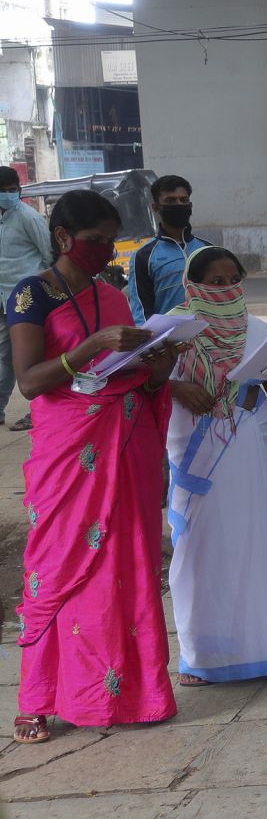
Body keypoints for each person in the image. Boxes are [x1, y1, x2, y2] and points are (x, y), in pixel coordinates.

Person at [9, 190, 183, 743]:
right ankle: (36, 700)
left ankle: (134, 692)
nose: (106, 250)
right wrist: (89, 350)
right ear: (62, 238)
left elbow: (125, 371)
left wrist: (157, 370)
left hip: (122, 438)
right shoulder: (29, 295)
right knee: (56, 564)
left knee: (125, 564)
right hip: (67, 449)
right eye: (96, 241)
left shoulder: (112, 294)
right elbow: (30, 380)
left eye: (111, 240)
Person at [165, 246, 267, 686]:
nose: (226, 289)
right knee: (201, 548)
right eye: (216, 282)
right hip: (199, 447)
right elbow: (142, 379)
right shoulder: (175, 328)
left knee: (259, 536)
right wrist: (177, 389)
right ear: (195, 284)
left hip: (248, 440)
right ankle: (203, 655)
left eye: (233, 281)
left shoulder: (257, 328)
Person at [0, 167, 53, 431]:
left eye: (13, 190)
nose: (9, 195)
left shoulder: (29, 218)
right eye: (3, 191)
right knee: (4, 356)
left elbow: (49, 254)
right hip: (2, 298)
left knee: (33, 357)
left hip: (27, 299)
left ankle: (37, 413)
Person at [127, 174, 210, 325]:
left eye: (183, 200)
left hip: (208, 341)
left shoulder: (208, 250)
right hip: (170, 344)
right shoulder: (143, 256)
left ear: (190, 206)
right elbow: (141, 312)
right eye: (170, 200)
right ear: (156, 207)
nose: (178, 205)